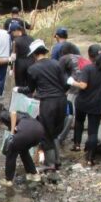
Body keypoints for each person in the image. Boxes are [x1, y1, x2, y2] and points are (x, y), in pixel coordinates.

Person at [23, 39, 68, 170]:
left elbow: (30, 90)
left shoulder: (32, 69)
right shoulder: (56, 64)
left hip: (47, 103)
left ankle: (50, 164)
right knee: (55, 132)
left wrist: (18, 89)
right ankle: (57, 160)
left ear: (34, 54)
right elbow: (65, 84)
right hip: (61, 101)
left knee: (46, 133)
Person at [70, 44, 101, 166]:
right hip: (97, 104)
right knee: (93, 131)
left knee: (79, 123)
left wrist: (72, 82)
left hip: (82, 102)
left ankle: (77, 145)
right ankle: (90, 157)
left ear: (90, 57)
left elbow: (83, 85)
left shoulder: (87, 69)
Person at [0, 110, 42, 186]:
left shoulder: (4, 115)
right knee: (23, 151)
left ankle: (8, 180)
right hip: (39, 131)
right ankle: (33, 174)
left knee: (11, 152)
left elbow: (13, 113)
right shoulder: (24, 117)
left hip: (27, 132)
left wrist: (11, 133)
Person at [10, 21, 36, 88]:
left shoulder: (16, 40)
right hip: (31, 63)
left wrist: (11, 68)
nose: (12, 34)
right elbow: (35, 53)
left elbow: (13, 57)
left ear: (17, 31)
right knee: (30, 85)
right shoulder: (31, 38)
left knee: (20, 85)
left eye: (12, 32)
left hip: (20, 65)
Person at [0, 21, 12, 98]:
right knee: (1, 76)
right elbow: (11, 46)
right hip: (5, 58)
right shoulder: (7, 33)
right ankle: (0, 93)